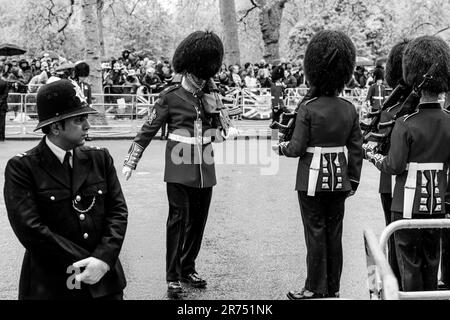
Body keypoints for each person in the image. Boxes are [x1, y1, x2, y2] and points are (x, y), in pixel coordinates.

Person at [121, 30, 238, 295]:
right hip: (178, 169)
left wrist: (223, 130)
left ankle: (188, 268)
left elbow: (215, 132)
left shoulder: (209, 96)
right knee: (177, 221)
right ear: (188, 70)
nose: (202, 79)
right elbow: (147, 129)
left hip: (205, 168)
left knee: (198, 222)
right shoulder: (170, 96)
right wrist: (131, 161)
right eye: (199, 74)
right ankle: (172, 275)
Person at [3, 79, 128, 300]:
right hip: (51, 283)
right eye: (79, 120)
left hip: (103, 282)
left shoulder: (100, 158)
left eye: (86, 118)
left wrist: (103, 259)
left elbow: (118, 212)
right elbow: (30, 229)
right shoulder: (23, 167)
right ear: (55, 126)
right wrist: (89, 262)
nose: (87, 125)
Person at [275, 30, 363, 299]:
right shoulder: (349, 108)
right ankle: (333, 288)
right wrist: (353, 180)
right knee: (334, 236)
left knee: (315, 233)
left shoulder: (308, 108)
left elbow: (297, 148)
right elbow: (356, 149)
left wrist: (281, 148)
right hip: (340, 181)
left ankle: (314, 287)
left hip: (312, 181)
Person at [363, 35, 450, 292]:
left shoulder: (405, 123)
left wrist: (372, 156)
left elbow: (394, 165)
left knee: (408, 265)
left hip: (406, 205)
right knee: (431, 264)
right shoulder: (448, 120)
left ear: (416, 82)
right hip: (436, 204)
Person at [374, 39, 411, 289]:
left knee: (395, 238)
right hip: (426, 186)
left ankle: (395, 288)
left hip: (393, 183)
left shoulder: (393, 109)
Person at [0, 76, 9, 141]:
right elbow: (5, 95)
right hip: (2, 105)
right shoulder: (4, 83)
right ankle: (1, 137)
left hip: (2, 104)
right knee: (2, 122)